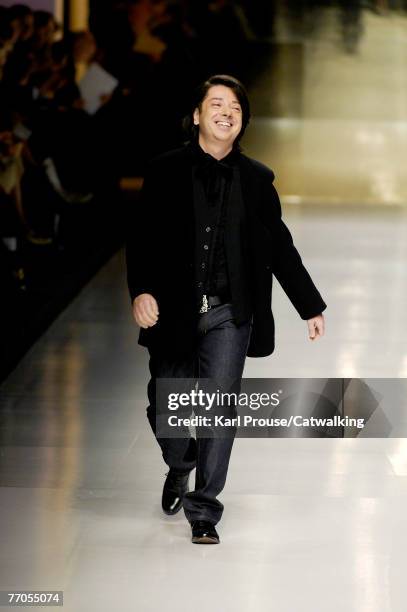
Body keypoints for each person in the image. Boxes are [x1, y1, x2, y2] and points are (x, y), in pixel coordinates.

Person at [126, 74, 326, 544]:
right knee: (167, 410)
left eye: (235, 107)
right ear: (196, 115)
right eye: (217, 104)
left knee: (219, 408)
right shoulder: (164, 170)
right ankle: (180, 462)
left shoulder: (258, 180)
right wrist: (142, 291)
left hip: (230, 312)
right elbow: (141, 239)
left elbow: (280, 247)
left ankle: (204, 510)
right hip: (172, 310)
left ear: (243, 121)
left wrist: (309, 305)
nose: (226, 112)